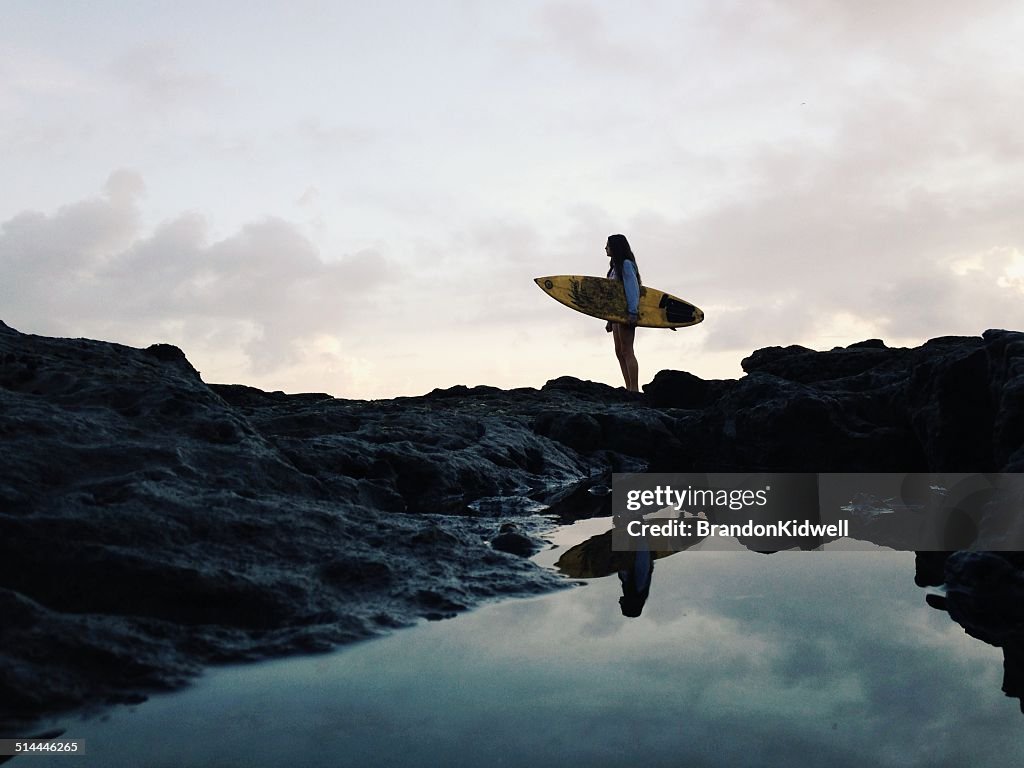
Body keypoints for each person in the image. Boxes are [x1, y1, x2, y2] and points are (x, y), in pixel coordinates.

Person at [604, 234, 641, 392]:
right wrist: (609, 319)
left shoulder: (626, 264)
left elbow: (633, 289)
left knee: (627, 350)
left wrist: (632, 312)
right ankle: (628, 388)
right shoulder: (614, 268)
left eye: (608, 245)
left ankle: (634, 389)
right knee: (619, 351)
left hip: (626, 313)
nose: (605, 248)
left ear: (616, 247)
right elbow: (612, 296)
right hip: (616, 315)